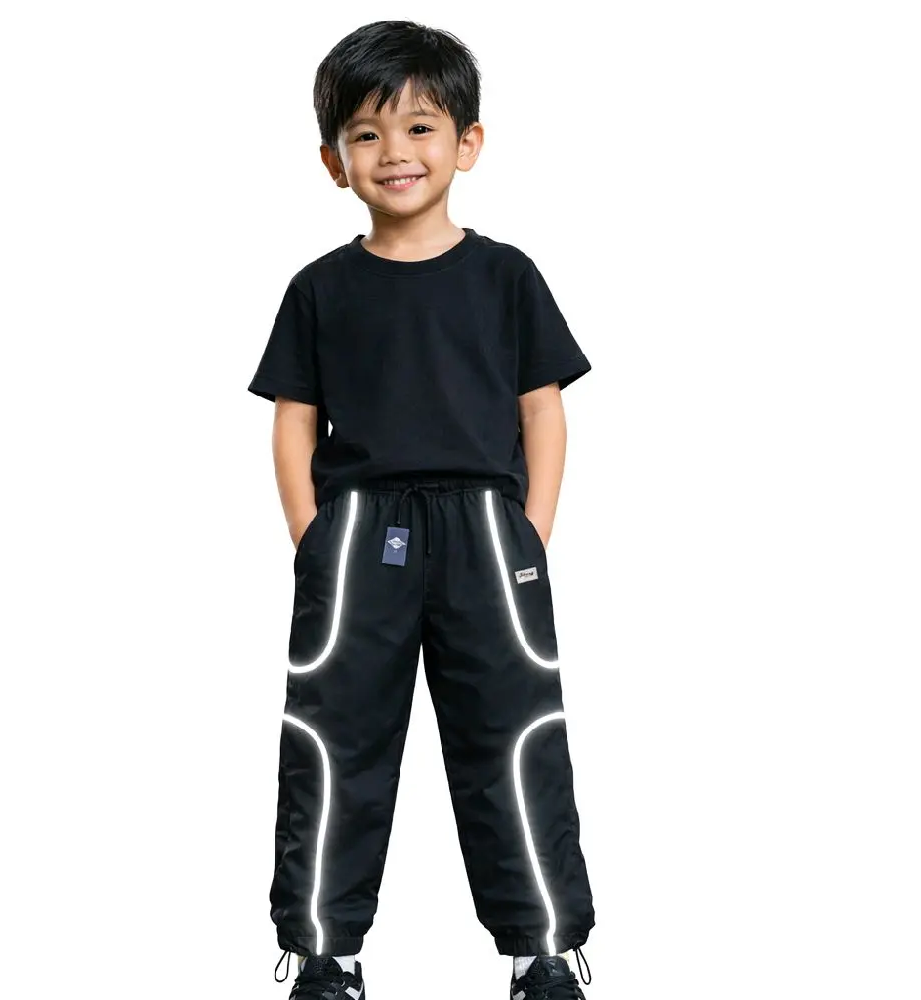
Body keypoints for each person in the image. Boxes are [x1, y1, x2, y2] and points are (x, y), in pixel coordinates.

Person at [248, 20, 596, 1000]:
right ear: (334, 161)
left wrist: (529, 530)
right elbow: (293, 420)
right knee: (335, 738)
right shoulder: (320, 288)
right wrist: (314, 537)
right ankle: (325, 952)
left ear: (466, 143)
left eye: (419, 127)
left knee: (513, 733)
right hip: (359, 529)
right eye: (366, 133)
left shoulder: (506, 276)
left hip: (487, 528)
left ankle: (541, 951)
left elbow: (542, 408)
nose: (394, 152)